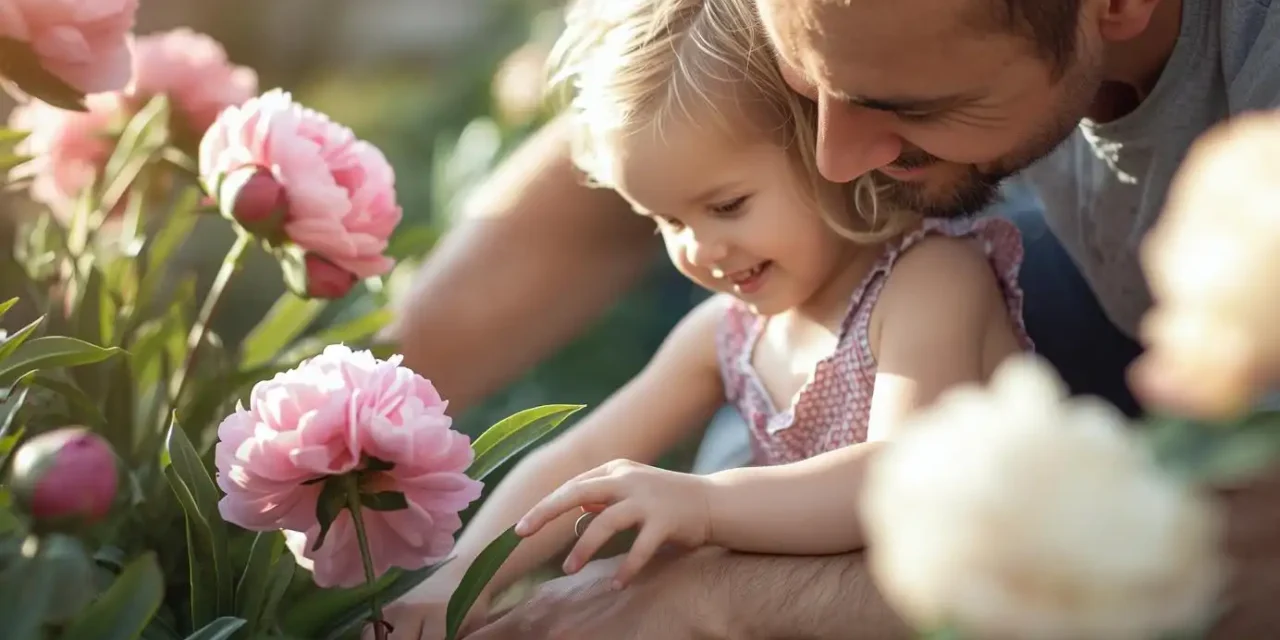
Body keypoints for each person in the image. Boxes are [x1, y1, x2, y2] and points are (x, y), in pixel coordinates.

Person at [390, 0, 1280, 637]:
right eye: (663, 220)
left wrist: (705, 518)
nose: (838, 154)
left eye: (726, 205)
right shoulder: (731, 327)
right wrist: (453, 578)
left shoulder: (931, 281)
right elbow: (582, 458)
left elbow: (903, 477)